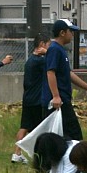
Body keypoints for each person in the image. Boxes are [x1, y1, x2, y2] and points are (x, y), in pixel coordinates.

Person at [42, 19, 87, 140]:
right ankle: (74, 157)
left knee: (65, 136)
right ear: (62, 33)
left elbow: (68, 74)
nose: (72, 35)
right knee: (74, 135)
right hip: (59, 100)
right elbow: (50, 72)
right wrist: (56, 96)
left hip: (63, 99)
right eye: (71, 31)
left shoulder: (60, 50)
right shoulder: (55, 49)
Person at [13, 33, 51, 164]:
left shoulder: (30, 60)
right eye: (48, 45)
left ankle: (16, 153)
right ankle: (39, 156)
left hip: (28, 98)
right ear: (42, 44)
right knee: (40, 130)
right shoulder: (40, 61)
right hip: (37, 100)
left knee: (24, 127)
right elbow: (53, 62)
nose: (49, 48)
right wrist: (48, 52)